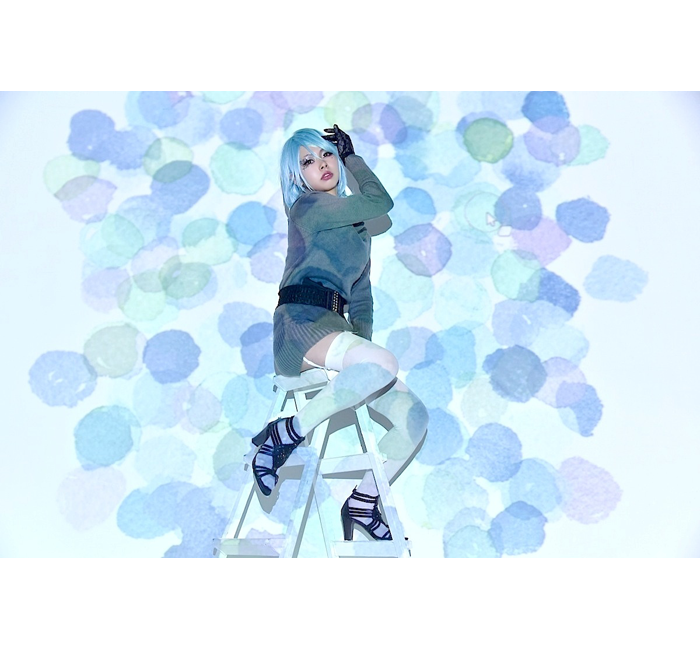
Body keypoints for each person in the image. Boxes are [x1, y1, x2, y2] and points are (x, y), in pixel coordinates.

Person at [251, 125, 428, 541]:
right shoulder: (308, 208)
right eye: (308, 161)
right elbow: (381, 201)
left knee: (414, 418)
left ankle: (365, 501)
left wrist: (365, 353)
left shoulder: (357, 232)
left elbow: (361, 300)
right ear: (297, 177)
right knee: (384, 361)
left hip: (335, 330)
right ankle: (286, 433)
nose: (322, 164)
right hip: (299, 323)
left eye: (327, 154)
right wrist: (352, 158)